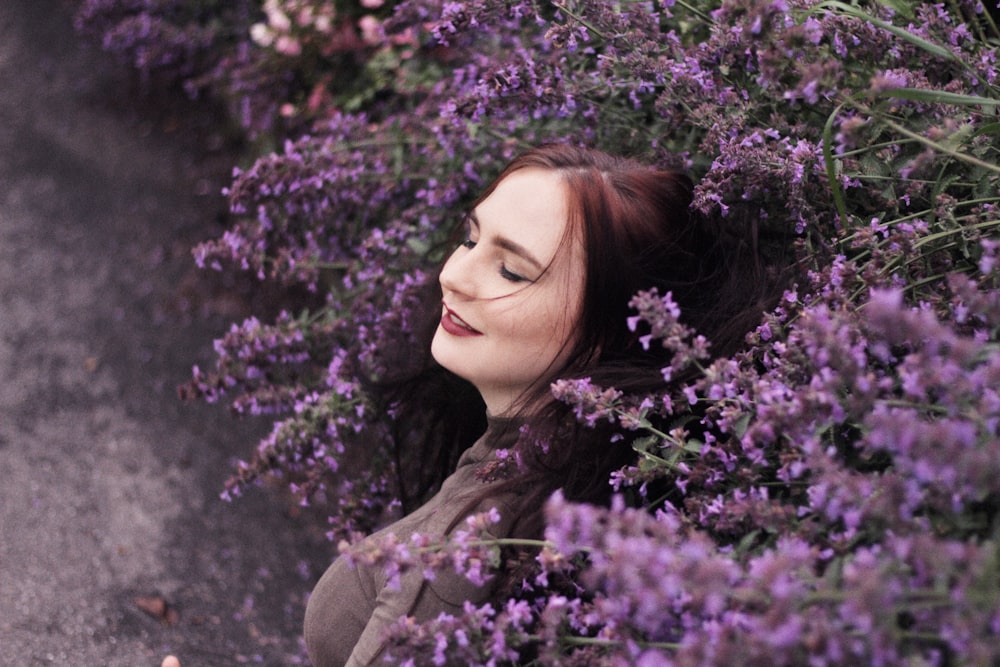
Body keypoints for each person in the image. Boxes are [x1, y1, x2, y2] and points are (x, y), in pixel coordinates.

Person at [302, 143, 782, 666]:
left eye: (511, 271)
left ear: (608, 330)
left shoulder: (464, 551)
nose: (453, 276)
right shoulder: (576, 476)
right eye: (469, 239)